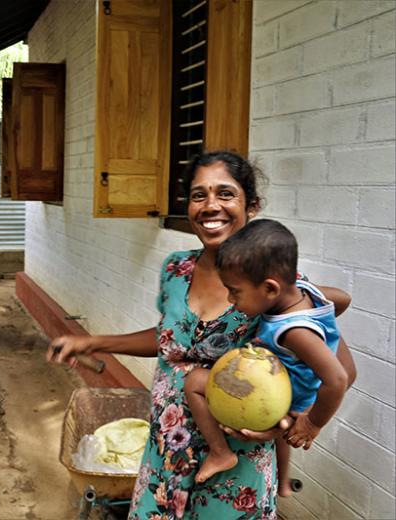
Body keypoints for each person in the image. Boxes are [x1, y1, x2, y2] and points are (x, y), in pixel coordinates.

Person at [47, 151, 357, 518]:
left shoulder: (269, 287)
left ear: (251, 205)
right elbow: (171, 341)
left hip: (237, 460)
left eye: (226, 194)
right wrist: (95, 342)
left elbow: (336, 364)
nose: (211, 206)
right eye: (199, 195)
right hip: (166, 447)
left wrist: (291, 418)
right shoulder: (176, 269)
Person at [185, 219, 349, 498]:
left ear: (271, 289)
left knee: (193, 382)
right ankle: (283, 483)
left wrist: (312, 422)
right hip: (296, 390)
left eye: (235, 291)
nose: (231, 299)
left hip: (290, 399)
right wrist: (325, 331)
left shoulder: (293, 331)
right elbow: (343, 299)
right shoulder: (306, 291)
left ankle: (220, 452)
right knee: (283, 443)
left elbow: (337, 379)